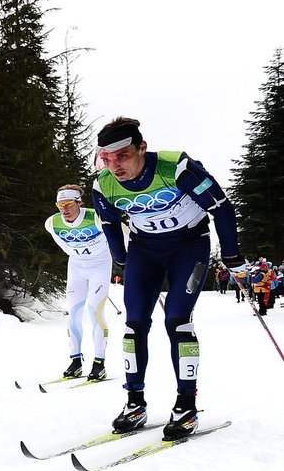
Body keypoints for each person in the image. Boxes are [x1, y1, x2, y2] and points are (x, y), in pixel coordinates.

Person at [91, 117, 242, 440]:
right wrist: (121, 258)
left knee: (177, 320)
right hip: (145, 250)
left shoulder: (177, 169)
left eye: (122, 156)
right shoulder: (103, 184)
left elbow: (222, 207)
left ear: (141, 148)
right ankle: (135, 403)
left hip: (189, 246)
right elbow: (108, 223)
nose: (114, 165)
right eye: (106, 158)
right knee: (134, 324)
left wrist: (231, 254)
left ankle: (186, 405)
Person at [44, 184, 112, 381]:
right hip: (76, 268)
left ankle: (99, 363)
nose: (64, 209)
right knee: (73, 313)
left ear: (79, 202)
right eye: (60, 204)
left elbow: (121, 235)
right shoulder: (52, 223)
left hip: (99, 266)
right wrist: (80, 252)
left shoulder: (95, 217)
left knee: (95, 311)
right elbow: (64, 246)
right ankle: (75, 361)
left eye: (68, 204)